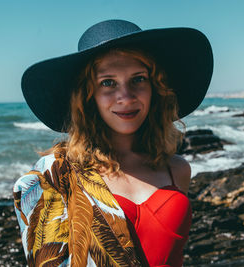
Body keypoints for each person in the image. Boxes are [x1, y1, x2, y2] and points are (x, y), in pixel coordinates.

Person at [13, 19, 213, 267]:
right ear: (89, 96)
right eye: (108, 82)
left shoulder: (179, 169)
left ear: (155, 87)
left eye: (138, 79)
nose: (125, 97)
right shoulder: (61, 177)